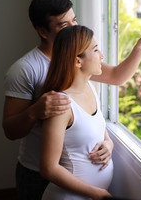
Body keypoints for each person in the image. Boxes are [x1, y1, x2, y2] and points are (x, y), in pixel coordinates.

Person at [2, 0, 141, 200]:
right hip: (37, 170)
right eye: (63, 25)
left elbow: (115, 76)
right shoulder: (25, 69)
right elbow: (10, 130)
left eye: (74, 20)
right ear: (42, 31)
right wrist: (35, 111)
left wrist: (139, 50)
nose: (73, 28)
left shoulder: (84, 75)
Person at [40, 25, 113, 200]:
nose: (102, 56)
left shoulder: (92, 88)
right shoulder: (62, 105)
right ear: (78, 61)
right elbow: (48, 168)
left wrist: (109, 145)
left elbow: (98, 131)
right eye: (96, 50)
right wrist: (97, 193)